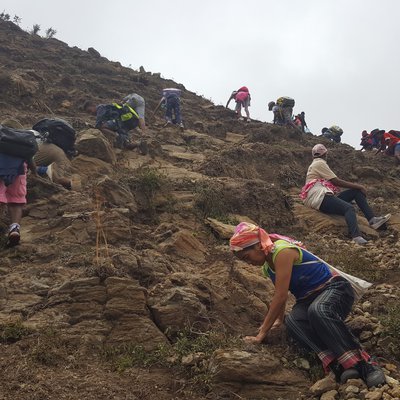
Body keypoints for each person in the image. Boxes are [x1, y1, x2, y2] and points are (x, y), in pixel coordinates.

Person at [229, 222, 386, 388]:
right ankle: (338, 365)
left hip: (335, 288)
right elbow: (281, 291)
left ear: (258, 246)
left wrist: (262, 333)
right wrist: (280, 320)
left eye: (247, 257)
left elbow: (280, 296)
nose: (248, 263)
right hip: (307, 299)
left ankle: (366, 365)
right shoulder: (267, 267)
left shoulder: (282, 251)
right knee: (294, 322)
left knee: (318, 310)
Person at [300, 144, 391, 245]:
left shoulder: (315, 164)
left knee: (356, 193)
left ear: (313, 155)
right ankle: (356, 237)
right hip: (320, 198)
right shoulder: (320, 163)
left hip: (320, 198)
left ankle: (372, 220)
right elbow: (336, 181)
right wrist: (359, 186)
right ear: (326, 154)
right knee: (349, 208)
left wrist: (357, 188)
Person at [0, 150, 37, 247]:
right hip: (18, 167)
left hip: (1, 165)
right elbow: (28, 152)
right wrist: (34, 171)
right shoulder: (19, 135)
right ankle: (14, 229)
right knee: (16, 201)